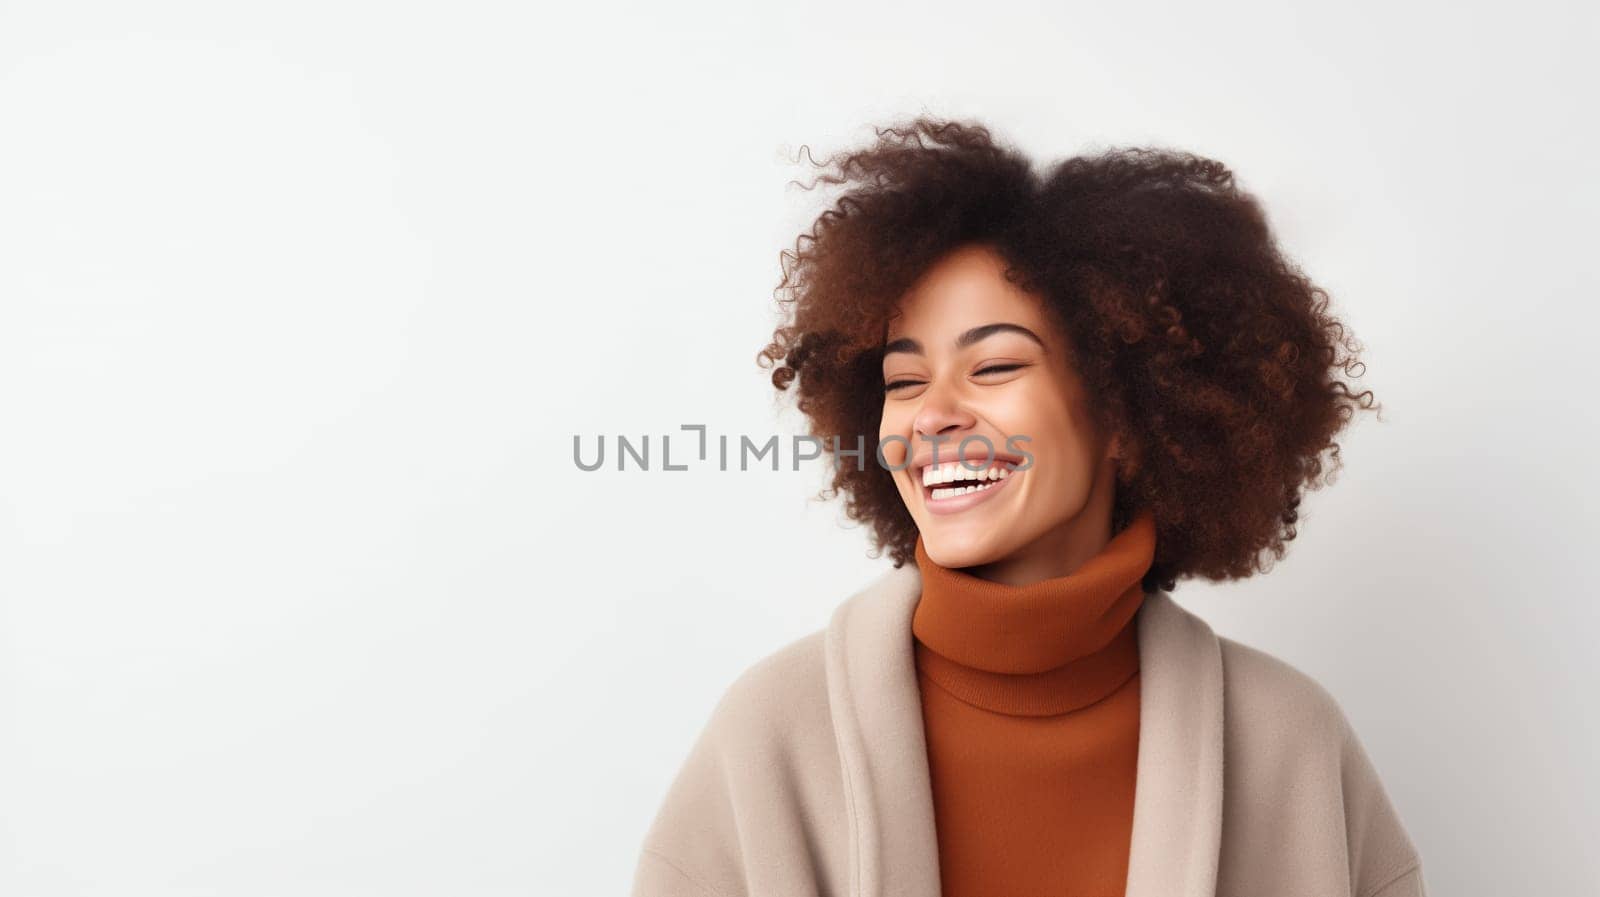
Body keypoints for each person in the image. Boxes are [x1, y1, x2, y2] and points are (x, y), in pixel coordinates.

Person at [630, 117, 1426, 897]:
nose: (932, 413)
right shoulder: (771, 737)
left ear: (1125, 412)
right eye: (903, 381)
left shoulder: (1288, 743)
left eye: (995, 365)